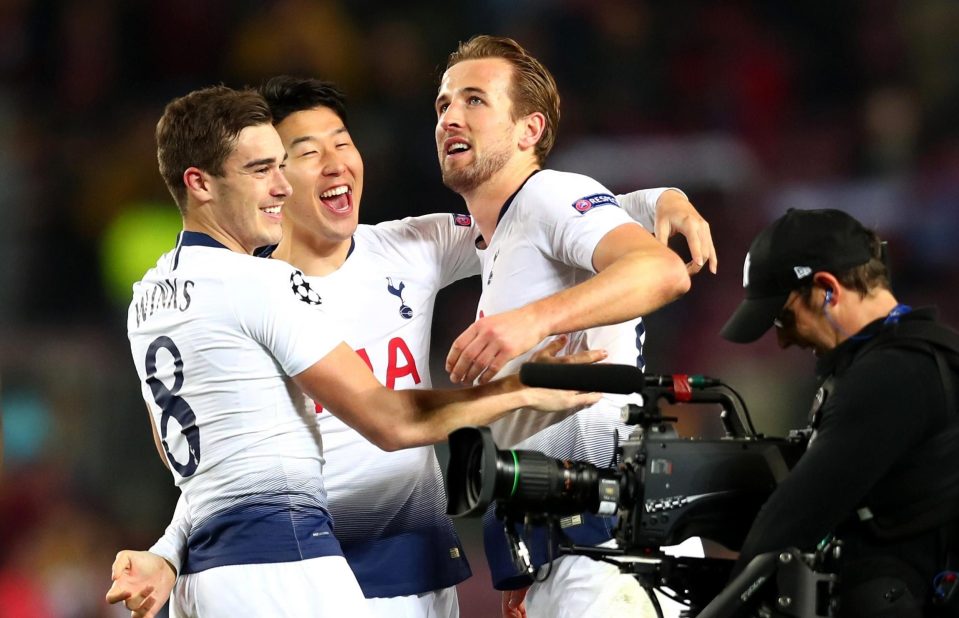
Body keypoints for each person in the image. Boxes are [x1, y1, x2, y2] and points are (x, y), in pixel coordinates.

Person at [107, 79, 715, 618]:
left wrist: (651, 200)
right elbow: (383, 422)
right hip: (305, 567)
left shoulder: (404, 247)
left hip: (410, 567)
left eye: (341, 142)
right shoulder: (261, 292)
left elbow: (524, 213)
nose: (333, 164)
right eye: (297, 155)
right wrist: (517, 388)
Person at [433, 35, 711, 618]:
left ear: (528, 130)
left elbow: (660, 270)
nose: (451, 116)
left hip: (610, 534)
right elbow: (619, 210)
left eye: (475, 100)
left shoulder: (548, 194)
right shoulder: (508, 230)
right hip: (570, 535)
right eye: (443, 104)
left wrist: (526, 323)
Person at [720, 208, 959, 616]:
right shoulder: (911, 360)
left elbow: (790, 522)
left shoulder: (894, 374)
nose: (781, 341)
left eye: (783, 317)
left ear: (827, 289)